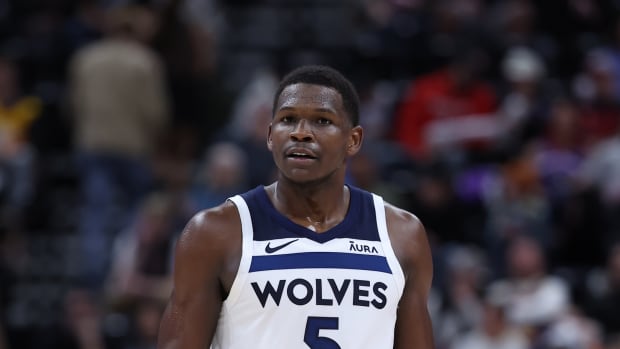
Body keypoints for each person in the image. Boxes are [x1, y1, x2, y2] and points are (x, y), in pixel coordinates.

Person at [157, 65, 435, 348]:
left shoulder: (402, 234)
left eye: (322, 121)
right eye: (288, 119)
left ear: (353, 140)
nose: (300, 133)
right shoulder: (215, 233)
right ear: (269, 135)